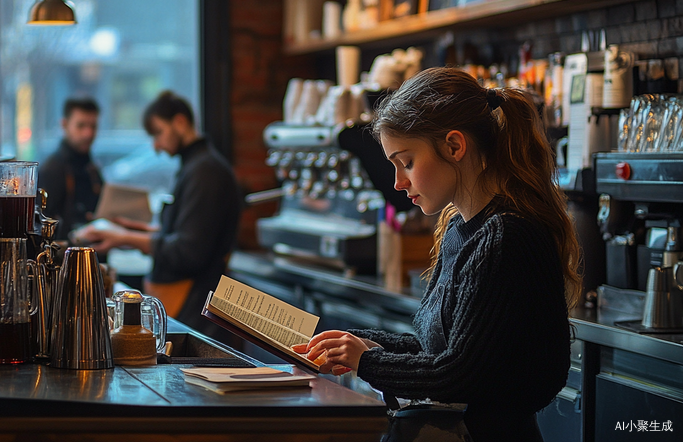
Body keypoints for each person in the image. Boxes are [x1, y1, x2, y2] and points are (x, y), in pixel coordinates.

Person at [292, 68, 582, 442]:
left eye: (407, 162)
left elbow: (458, 374)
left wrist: (364, 359)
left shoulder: (506, 237)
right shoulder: (460, 229)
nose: (398, 182)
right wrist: (350, 342)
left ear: (454, 146)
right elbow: (440, 349)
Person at [73, 91, 242, 334]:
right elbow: (179, 232)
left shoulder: (206, 172)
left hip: (197, 307)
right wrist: (129, 230)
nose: (156, 145)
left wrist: (125, 238)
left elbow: (189, 251)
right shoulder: (196, 167)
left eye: (158, 133)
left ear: (180, 122)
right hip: (188, 303)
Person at [38, 98, 104, 241]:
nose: (88, 134)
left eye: (93, 126)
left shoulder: (91, 168)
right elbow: (41, 228)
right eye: (81, 126)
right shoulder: (52, 170)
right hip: (64, 259)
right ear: (64, 125)